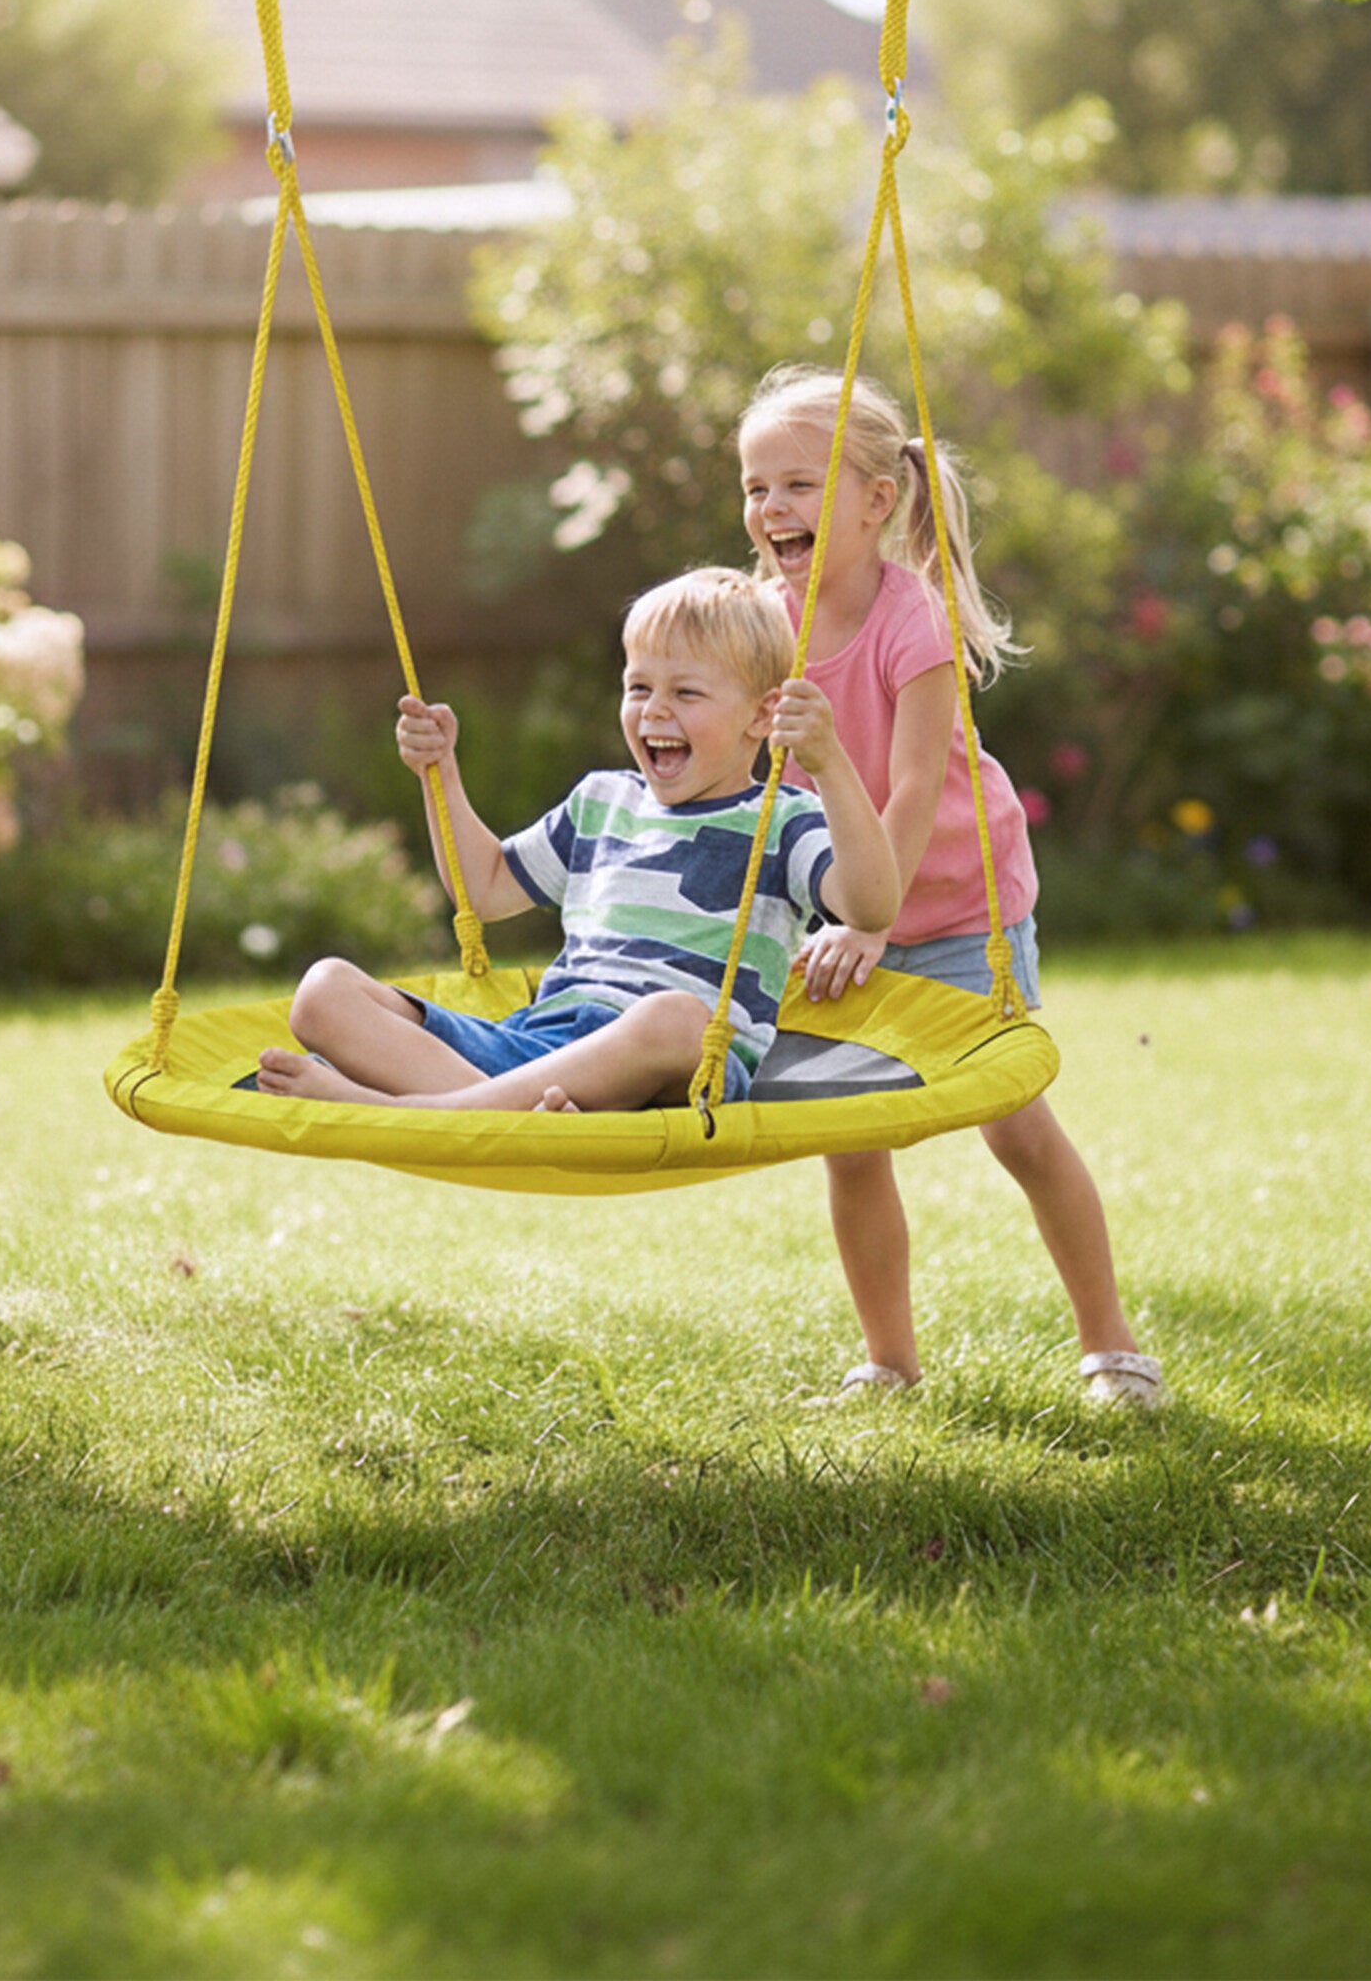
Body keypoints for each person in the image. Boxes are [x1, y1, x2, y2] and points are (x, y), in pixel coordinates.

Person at [741, 366, 1165, 1410]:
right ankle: (889, 1363)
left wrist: (867, 924)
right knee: (848, 1142)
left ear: (876, 500)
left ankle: (1110, 1346)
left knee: (1014, 1125)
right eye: (754, 487)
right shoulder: (760, 618)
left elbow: (917, 785)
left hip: (957, 904)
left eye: (797, 484)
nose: (769, 509)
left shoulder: (908, 617)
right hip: (846, 914)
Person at [257, 567, 901, 1114]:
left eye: (686, 693)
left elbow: (871, 906)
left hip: (675, 1060)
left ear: (763, 716)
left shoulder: (782, 819)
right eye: (639, 687)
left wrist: (827, 763)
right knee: (323, 991)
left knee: (676, 1018)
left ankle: (420, 1111)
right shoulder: (601, 802)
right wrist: (439, 774)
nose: (653, 710)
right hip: (542, 1048)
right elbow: (481, 889)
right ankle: (511, 1114)